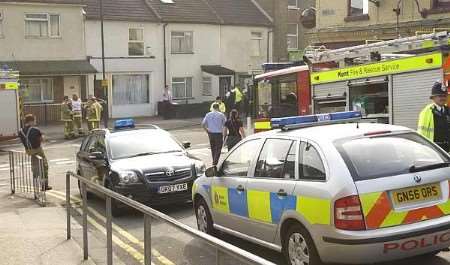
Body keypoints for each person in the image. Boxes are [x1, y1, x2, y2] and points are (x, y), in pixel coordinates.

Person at [19, 114, 51, 191]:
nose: (35, 122)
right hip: (37, 150)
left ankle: (35, 184)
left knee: (35, 167)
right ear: (30, 121)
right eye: (34, 120)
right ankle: (44, 185)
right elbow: (41, 139)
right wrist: (44, 138)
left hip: (29, 151)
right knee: (44, 166)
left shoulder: (20, 131)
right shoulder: (35, 129)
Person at [418, 81, 450, 151]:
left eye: (444, 96)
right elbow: (422, 133)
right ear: (433, 98)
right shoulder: (426, 112)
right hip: (433, 150)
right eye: (440, 96)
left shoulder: (448, 111)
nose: (443, 98)